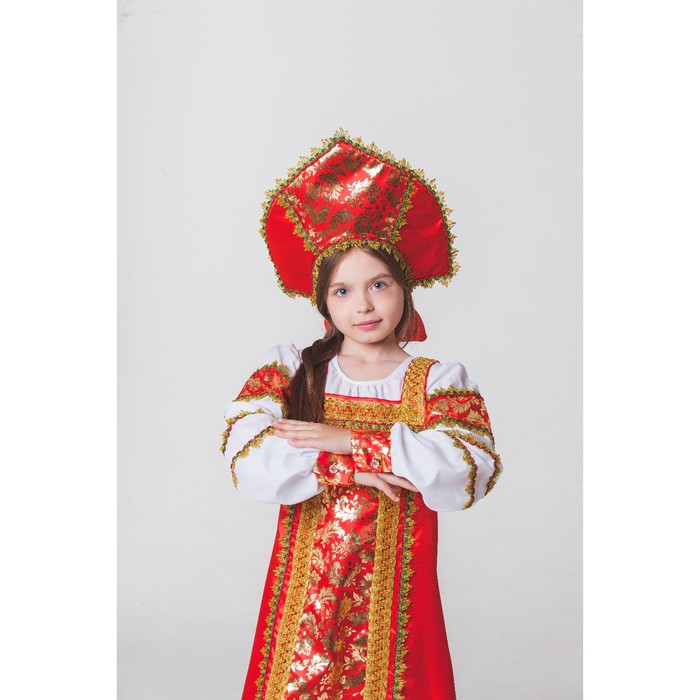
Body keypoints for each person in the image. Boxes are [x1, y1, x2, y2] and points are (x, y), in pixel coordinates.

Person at [220, 129, 502, 700]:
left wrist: (347, 440)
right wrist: (351, 468)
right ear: (324, 302)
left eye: (378, 284)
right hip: (304, 590)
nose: (364, 305)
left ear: (405, 289)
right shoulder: (294, 371)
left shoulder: (436, 382)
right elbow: (246, 456)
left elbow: (470, 467)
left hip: (397, 593)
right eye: (343, 291)